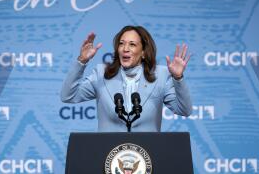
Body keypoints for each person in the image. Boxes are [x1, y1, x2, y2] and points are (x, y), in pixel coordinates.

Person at [61, 25, 192, 132]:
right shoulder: (101, 73)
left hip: (147, 155)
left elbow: (184, 110)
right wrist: (82, 61)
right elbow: (68, 96)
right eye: (121, 44)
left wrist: (178, 77)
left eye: (132, 44)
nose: (125, 49)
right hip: (109, 155)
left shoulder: (161, 75)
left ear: (144, 52)